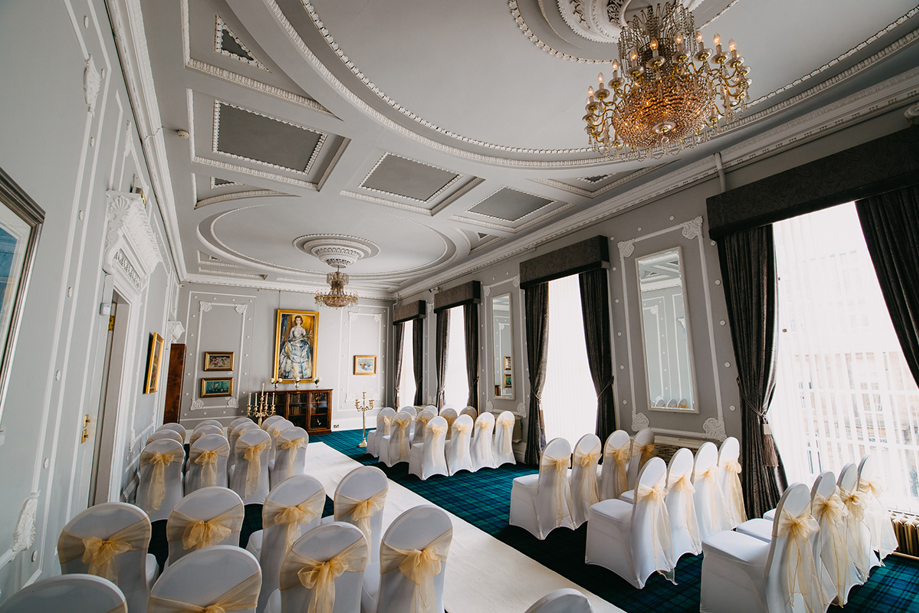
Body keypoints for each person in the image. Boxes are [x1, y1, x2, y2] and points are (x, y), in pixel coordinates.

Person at [279, 314, 312, 380]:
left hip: (301, 344)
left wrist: (301, 338)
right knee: (287, 348)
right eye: (297, 320)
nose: (298, 321)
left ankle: (303, 373)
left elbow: (305, 338)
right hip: (294, 343)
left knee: (305, 350)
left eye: (299, 320)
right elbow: (290, 337)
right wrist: (295, 339)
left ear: (301, 321)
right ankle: (290, 373)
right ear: (295, 321)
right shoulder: (293, 329)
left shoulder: (302, 329)